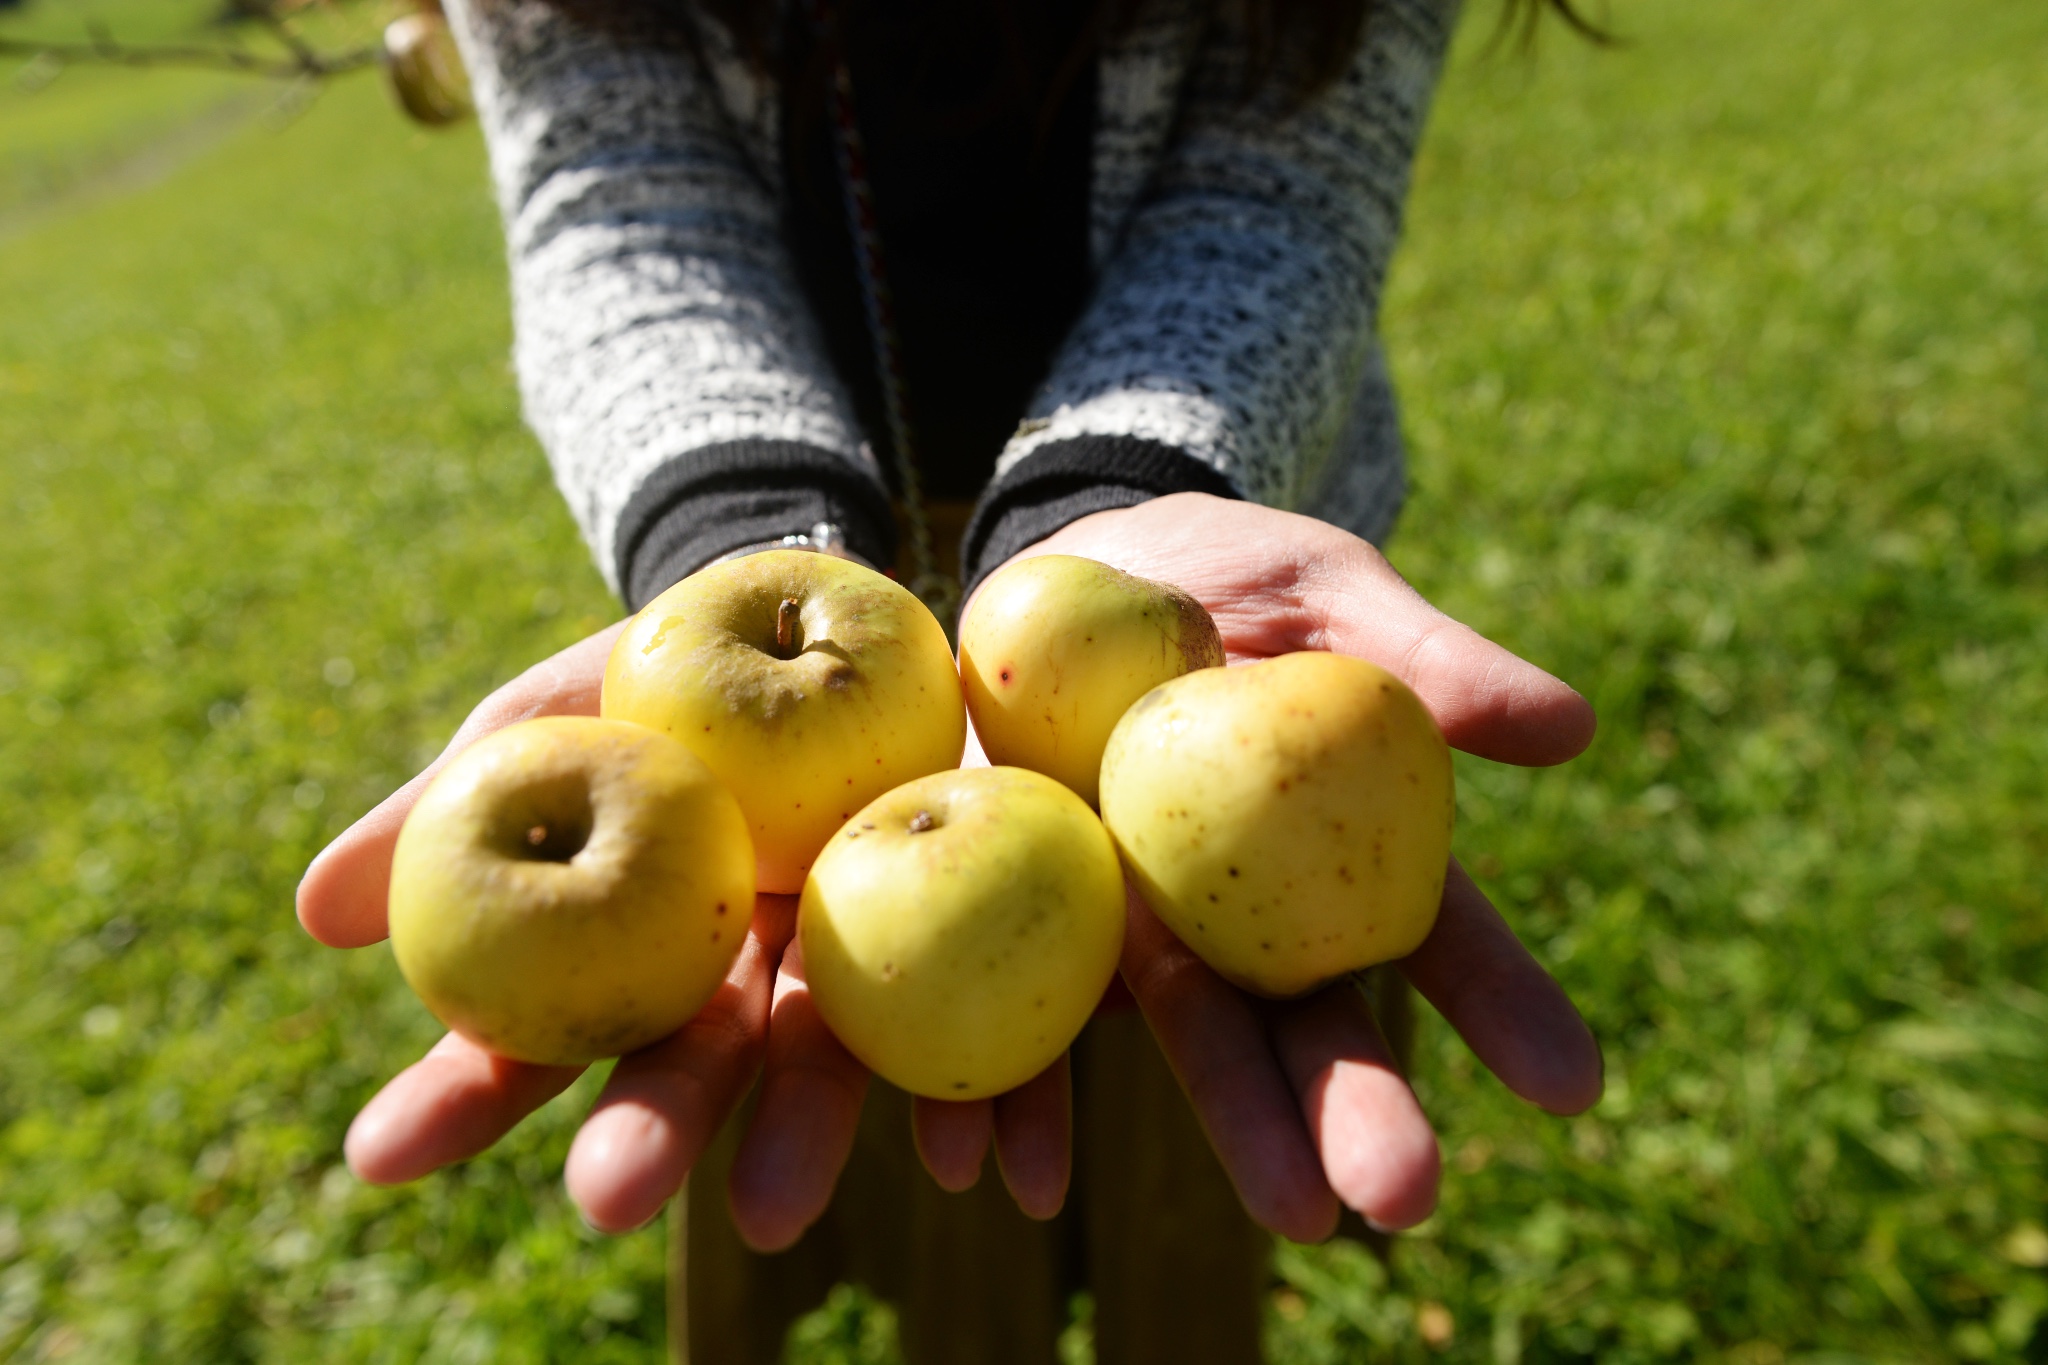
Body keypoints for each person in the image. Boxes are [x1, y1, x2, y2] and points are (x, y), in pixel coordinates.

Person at [297, 0, 1604, 1358]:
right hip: (809, 735)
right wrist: (742, 540)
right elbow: (619, 202)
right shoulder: (714, 855)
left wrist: (1111, 502)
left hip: (1197, 601)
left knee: (1199, 1163)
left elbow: (1280, 187)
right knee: (874, 1172)